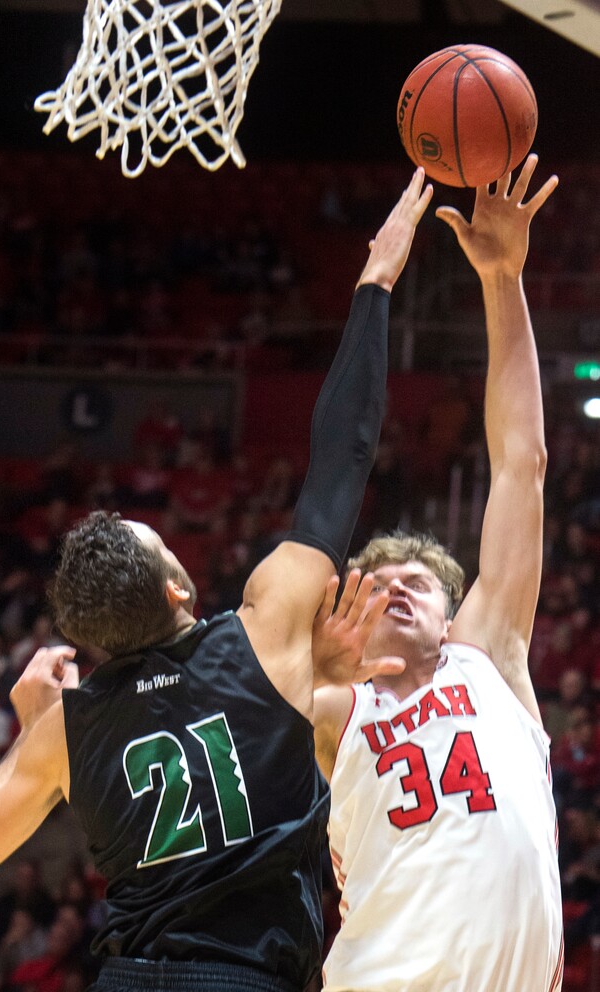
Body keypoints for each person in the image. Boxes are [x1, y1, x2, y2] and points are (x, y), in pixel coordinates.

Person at [0, 169, 433, 992]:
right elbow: (341, 458)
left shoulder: (72, 726)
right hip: (246, 979)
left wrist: (37, 735)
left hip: (129, 978)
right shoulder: (265, 637)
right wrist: (375, 283)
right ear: (179, 591)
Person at [311, 155, 563, 992]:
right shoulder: (332, 706)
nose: (401, 583)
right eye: (380, 580)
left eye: (423, 579)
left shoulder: (487, 655)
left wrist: (503, 280)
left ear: (455, 617)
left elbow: (521, 462)